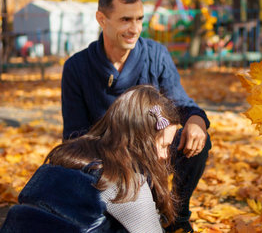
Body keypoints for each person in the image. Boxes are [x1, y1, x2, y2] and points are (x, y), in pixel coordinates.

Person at [60, 0, 211, 232]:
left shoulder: (156, 55)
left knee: (199, 140)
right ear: (102, 19)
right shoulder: (77, 67)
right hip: (105, 158)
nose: (135, 29)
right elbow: (73, 136)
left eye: (140, 19)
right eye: (125, 20)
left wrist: (196, 122)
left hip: (155, 150)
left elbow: (182, 104)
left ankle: (178, 217)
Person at [1, 85, 179, 233]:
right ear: (141, 140)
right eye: (163, 145)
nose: (164, 155)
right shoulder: (125, 183)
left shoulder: (70, 153)